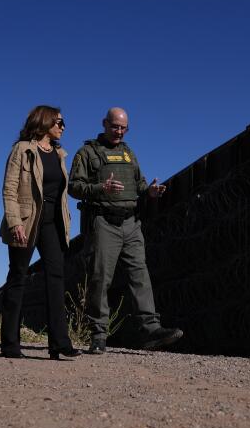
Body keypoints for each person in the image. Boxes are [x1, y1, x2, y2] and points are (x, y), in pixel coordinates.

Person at [69, 107, 183, 354]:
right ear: (104, 124)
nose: (119, 131)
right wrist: (101, 188)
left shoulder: (128, 153)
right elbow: (74, 187)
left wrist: (150, 192)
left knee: (139, 275)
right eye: (115, 126)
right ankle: (98, 335)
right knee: (101, 279)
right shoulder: (87, 153)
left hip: (131, 223)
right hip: (103, 222)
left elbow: (140, 184)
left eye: (123, 128)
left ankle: (150, 328)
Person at [0, 106, 81, 360]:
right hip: (26, 220)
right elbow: (9, 189)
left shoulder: (60, 154)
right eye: (59, 121)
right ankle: (10, 344)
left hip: (53, 223)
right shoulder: (22, 149)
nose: (63, 126)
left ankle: (59, 343)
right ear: (44, 122)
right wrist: (15, 223)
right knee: (19, 276)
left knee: (56, 278)